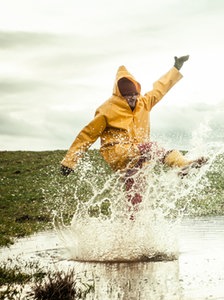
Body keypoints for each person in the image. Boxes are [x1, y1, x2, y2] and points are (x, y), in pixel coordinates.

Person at [60, 55, 206, 213]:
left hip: (137, 155)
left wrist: (176, 68)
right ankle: (181, 165)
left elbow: (160, 88)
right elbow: (87, 135)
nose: (133, 99)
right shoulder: (106, 110)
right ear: (120, 95)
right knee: (152, 147)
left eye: (135, 95)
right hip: (118, 153)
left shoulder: (143, 102)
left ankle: (130, 229)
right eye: (128, 96)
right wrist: (70, 161)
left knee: (137, 194)